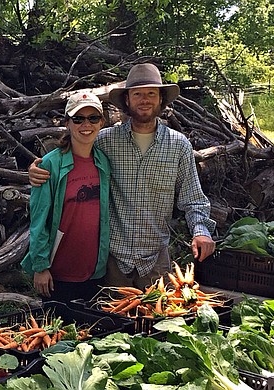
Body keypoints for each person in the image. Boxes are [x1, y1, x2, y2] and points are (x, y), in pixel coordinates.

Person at [28, 63, 216, 291]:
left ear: (161, 99)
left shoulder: (179, 146)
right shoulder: (105, 141)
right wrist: (38, 169)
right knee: (111, 324)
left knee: (156, 323)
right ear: (127, 100)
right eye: (137, 94)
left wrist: (201, 232)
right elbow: (73, 146)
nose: (144, 100)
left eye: (151, 93)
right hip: (112, 262)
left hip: (156, 262)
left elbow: (193, 198)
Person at [20, 92, 111, 304]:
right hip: (58, 272)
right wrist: (40, 267)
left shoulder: (104, 162)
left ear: (101, 122)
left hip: (94, 270)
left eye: (93, 118)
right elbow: (39, 219)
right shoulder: (50, 165)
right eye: (78, 119)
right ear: (67, 123)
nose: (85, 125)